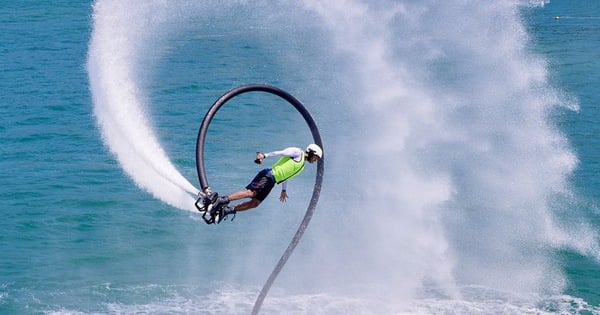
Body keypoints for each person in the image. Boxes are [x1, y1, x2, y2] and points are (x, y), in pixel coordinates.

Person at [210, 144, 323, 222]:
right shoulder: (298, 153)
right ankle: (222, 200)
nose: (315, 160)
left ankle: (227, 210)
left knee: (255, 203)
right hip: (269, 174)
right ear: (312, 152)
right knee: (251, 193)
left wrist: (283, 190)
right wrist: (264, 155)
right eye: (316, 157)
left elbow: (286, 174)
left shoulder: (302, 165)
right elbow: (281, 153)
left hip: (273, 181)